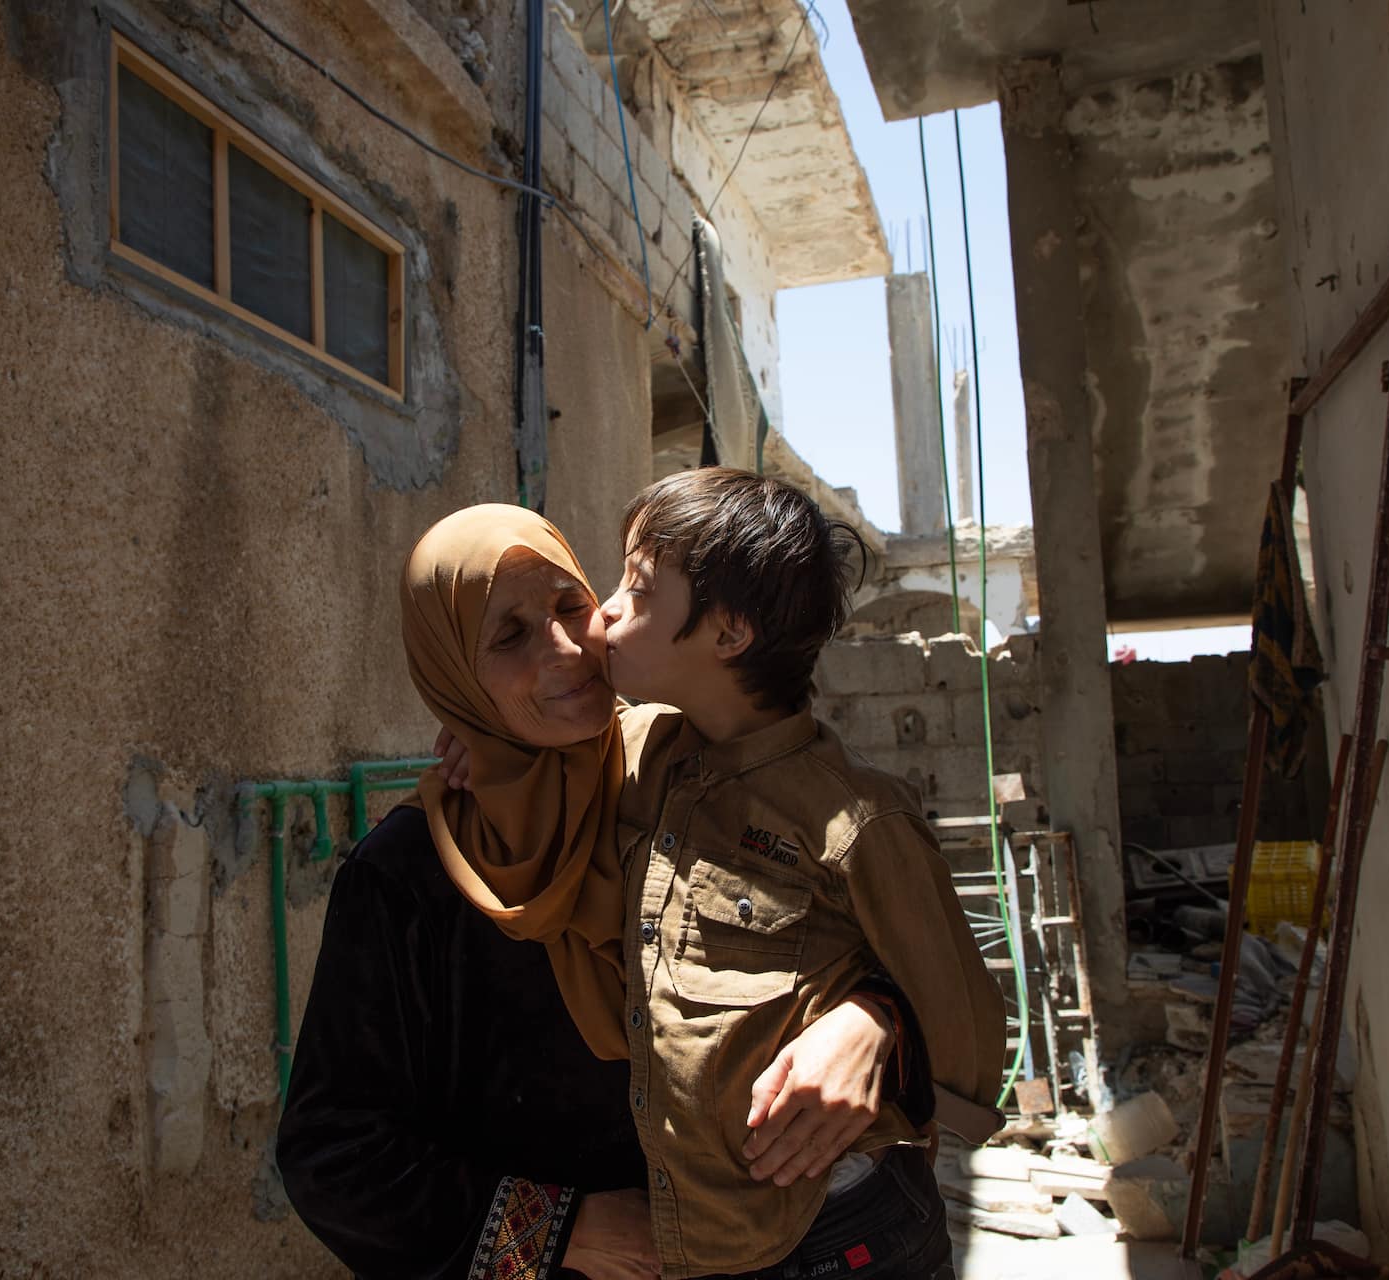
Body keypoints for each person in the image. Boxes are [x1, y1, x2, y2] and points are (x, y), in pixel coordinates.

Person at [275, 505, 907, 1280]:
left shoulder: (685, 782)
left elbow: (861, 933)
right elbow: (332, 1154)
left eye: (572, 606)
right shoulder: (406, 880)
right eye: (509, 636)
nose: (568, 649)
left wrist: (871, 1018)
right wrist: (559, 1231)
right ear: (452, 676)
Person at [597, 467, 1013, 1279]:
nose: (609, 608)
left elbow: (968, 1042)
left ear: (727, 635)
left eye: (640, 591)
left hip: (837, 1232)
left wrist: (879, 1026)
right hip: (704, 1234)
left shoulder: (856, 820)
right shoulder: (641, 751)